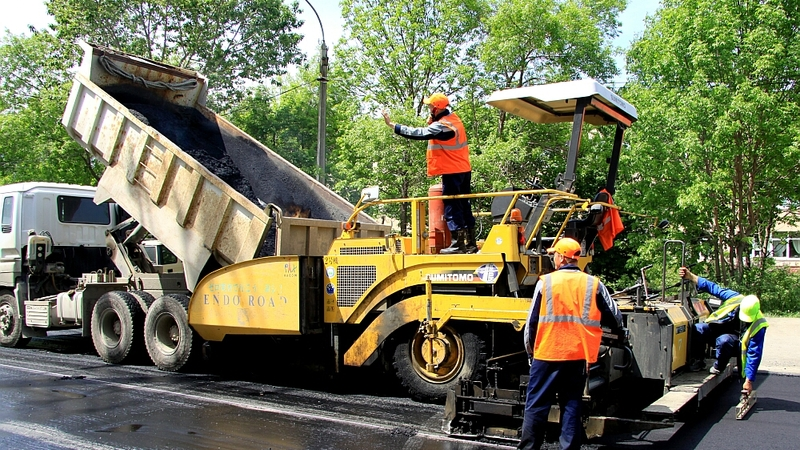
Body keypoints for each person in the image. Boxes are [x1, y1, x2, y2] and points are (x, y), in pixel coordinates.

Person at [519, 238, 623, 450]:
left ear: (561, 257)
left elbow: (531, 324)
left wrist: (531, 354)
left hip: (547, 354)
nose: (553, 258)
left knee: (537, 406)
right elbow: (615, 317)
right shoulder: (594, 284)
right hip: (577, 355)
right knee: (571, 405)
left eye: (554, 254)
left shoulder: (545, 282)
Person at [382, 93, 476, 254]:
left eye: (430, 107)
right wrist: (433, 120)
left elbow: (420, 133)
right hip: (463, 169)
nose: (429, 109)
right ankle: (470, 243)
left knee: (452, 207)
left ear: (437, 108)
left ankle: (458, 244)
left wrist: (393, 126)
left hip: (453, 171)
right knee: (463, 205)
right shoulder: (453, 119)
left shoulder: (443, 126)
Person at [680, 267, 768, 394]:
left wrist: (749, 380)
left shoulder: (759, 326)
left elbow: (754, 354)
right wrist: (691, 276)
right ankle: (699, 360)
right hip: (721, 329)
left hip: (735, 342)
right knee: (699, 328)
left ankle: (718, 366)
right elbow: (714, 288)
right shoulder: (735, 298)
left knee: (724, 340)